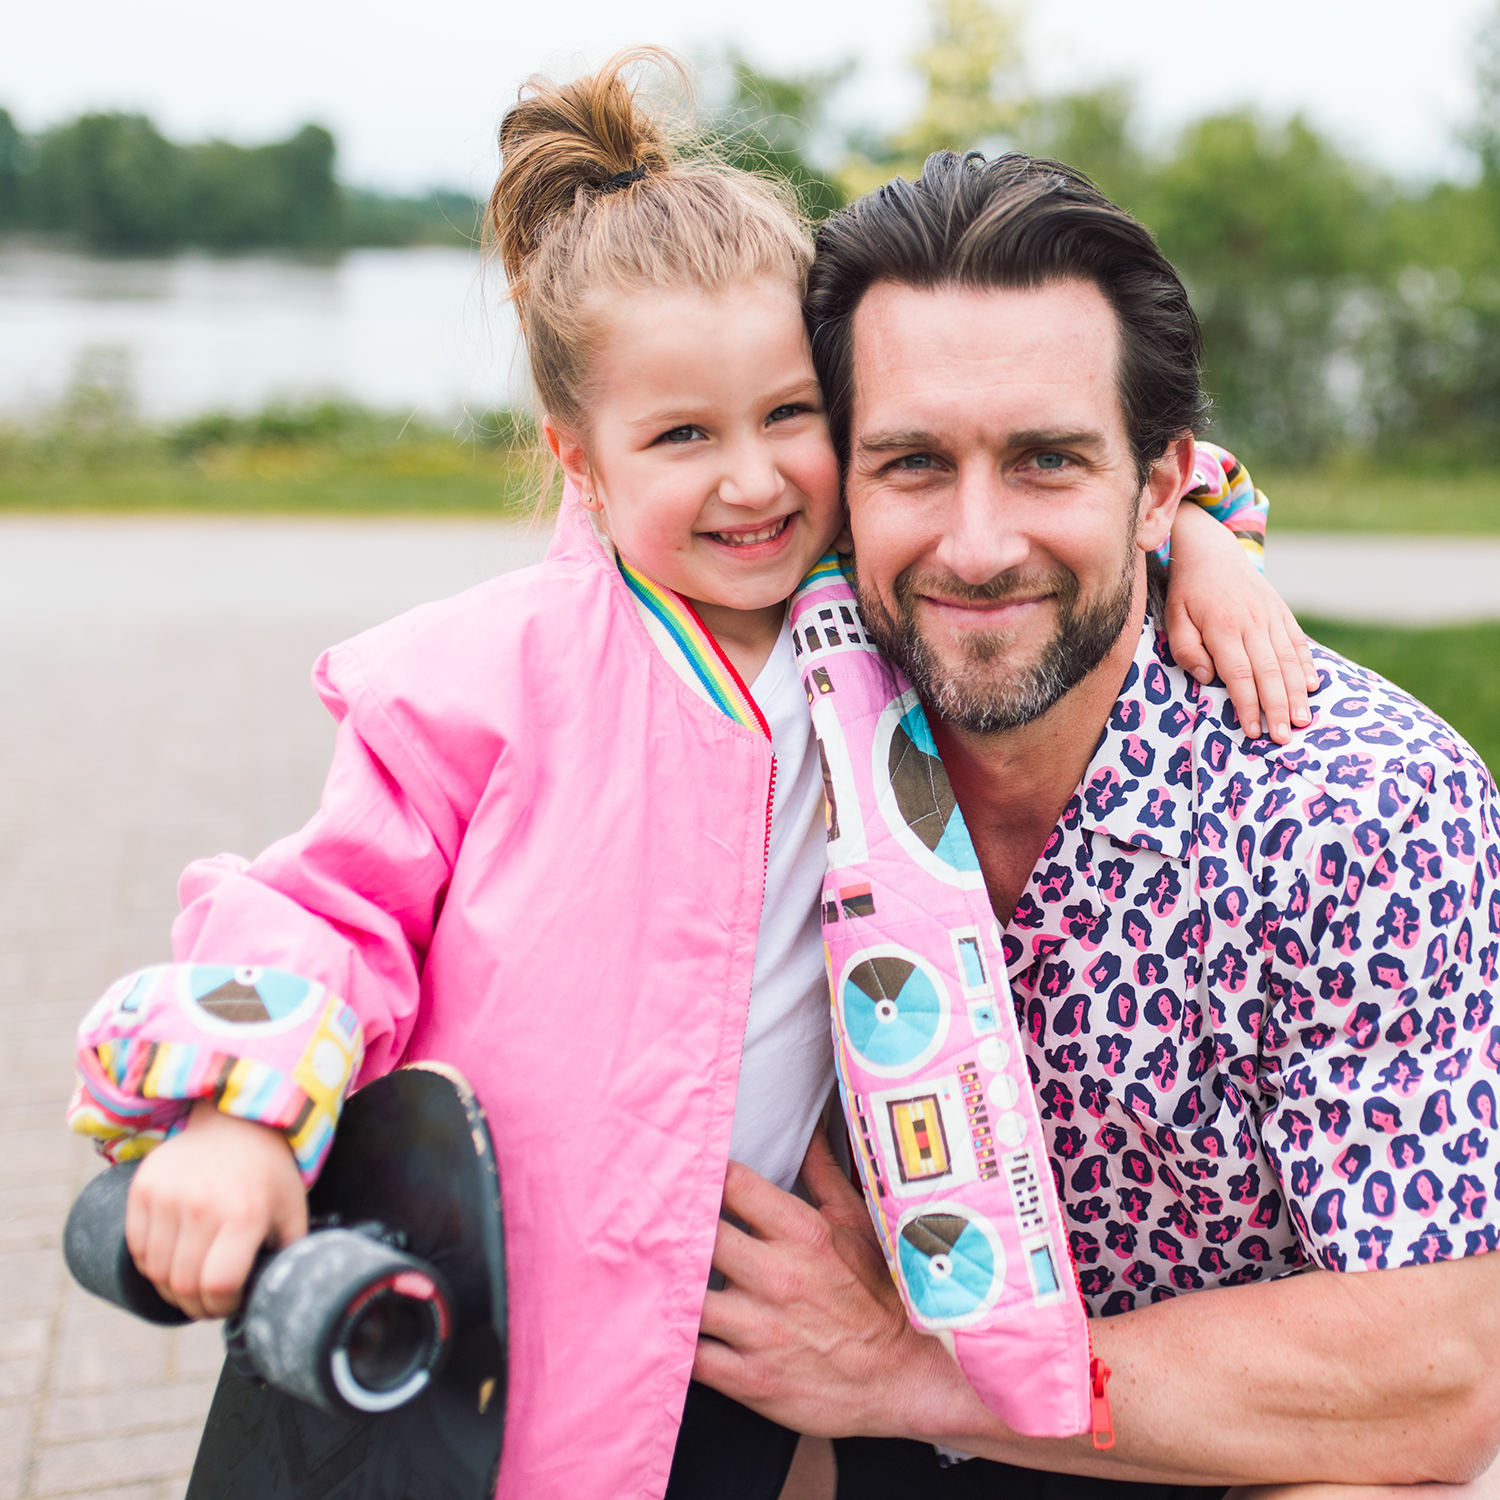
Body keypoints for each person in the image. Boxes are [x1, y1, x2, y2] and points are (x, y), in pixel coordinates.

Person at [66, 60, 1312, 1500]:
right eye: (680, 436)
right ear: (576, 462)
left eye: (791, 416)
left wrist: (1208, 540)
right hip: (485, 1301)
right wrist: (235, 1122)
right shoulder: (485, 676)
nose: (753, 480)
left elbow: (1090, 454)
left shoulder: (873, 620)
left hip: (714, 1334)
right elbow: (322, 916)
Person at [692, 151, 1500, 1498]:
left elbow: (1439, 1375)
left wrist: (914, 1376)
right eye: (911, 462)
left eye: (1047, 460)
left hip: (1224, 1453)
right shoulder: (758, 737)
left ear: (1160, 485)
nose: (976, 543)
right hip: (847, 1431)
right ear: (834, 482)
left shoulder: (1360, 810)